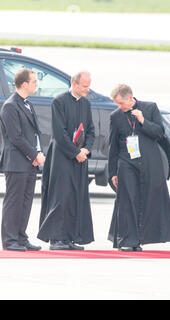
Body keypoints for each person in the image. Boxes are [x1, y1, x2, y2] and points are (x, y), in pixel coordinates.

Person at [107, 84, 170, 251]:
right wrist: (112, 172)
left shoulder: (150, 108)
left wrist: (143, 121)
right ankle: (127, 240)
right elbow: (112, 146)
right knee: (128, 199)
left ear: (130, 98)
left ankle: (140, 239)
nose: (119, 107)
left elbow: (159, 133)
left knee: (147, 199)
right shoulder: (116, 116)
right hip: (126, 161)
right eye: (117, 104)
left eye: (121, 103)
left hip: (149, 161)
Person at [38, 71, 96, 250]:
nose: (88, 89)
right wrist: (75, 152)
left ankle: (70, 237)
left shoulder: (86, 104)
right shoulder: (59, 101)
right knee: (61, 196)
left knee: (75, 196)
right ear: (75, 84)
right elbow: (59, 133)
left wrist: (86, 149)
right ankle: (57, 238)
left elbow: (91, 130)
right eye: (85, 86)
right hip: (62, 156)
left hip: (80, 157)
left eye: (88, 85)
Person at [0, 68, 45, 251]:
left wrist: (37, 153)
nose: (36, 84)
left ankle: (21, 236)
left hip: (29, 162)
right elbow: (15, 137)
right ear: (24, 84)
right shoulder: (10, 106)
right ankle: (10, 240)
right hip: (16, 162)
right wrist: (34, 155)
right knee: (14, 201)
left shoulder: (28, 104)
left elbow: (34, 133)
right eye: (34, 81)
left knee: (26, 201)